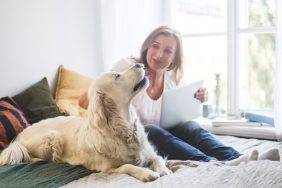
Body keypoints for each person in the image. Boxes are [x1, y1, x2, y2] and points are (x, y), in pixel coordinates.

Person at [79, 26, 280, 165]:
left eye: (167, 51)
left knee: (191, 127)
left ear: (174, 56)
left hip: (161, 134)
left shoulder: (172, 76)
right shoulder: (127, 67)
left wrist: (198, 97)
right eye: (156, 46)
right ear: (147, 45)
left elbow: (179, 113)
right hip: (130, 138)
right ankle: (211, 164)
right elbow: (88, 97)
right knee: (150, 130)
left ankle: (243, 158)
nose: (159, 54)